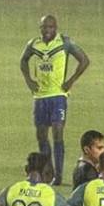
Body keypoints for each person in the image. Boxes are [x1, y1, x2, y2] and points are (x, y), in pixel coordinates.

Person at [20, 14, 90, 186]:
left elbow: (84, 60)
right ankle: (48, 172)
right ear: (40, 28)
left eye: (50, 27)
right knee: (41, 135)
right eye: (44, 27)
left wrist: (71, 81)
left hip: (58, 96)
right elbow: (23, 60)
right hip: (40, 97)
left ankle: (58, 175)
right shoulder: (34, 44)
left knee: (58, 132)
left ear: (56, 28)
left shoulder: (65, 43)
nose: (47, 30)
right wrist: (29, 81)